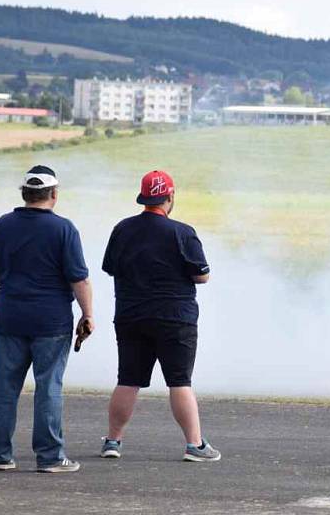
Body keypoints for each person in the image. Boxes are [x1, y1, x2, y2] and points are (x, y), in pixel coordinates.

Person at [0, 165, 94, 473]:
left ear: (24, 194)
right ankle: (50, 457)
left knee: (3, 389)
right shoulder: (64, 229)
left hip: (10, 319)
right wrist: (88, 314)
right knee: (48, 388)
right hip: (51, 322)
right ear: (54, 194)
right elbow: (79, 279)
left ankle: (0, 455)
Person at [100, 170, 220, 462]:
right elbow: (201, 276)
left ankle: (113, 441)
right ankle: (194, 445)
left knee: (128, 379)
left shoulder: (122, 229)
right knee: (179, 381)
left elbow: (111, 268)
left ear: (143, 197)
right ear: (170, 197)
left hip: (131, 315)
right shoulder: (182, 232)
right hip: (175, 317)